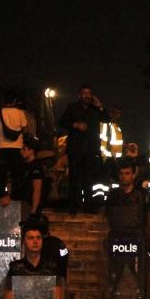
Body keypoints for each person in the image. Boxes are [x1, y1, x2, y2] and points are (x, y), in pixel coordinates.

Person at [104, 158, 150, 299]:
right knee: (111, 282)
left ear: (134, 174)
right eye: (121, 174)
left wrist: (142, 236)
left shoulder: (143, 196)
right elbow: (108, 217)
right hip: (117, 239)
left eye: (127, 173)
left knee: (141, 284)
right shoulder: (113, 195)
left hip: (136, 239)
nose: (124, 177)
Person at [59, 85, 110, 214]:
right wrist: (75, 124)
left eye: (89, 93)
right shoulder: (72, 107)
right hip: (75, 148)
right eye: (84, 93)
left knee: (89, 179)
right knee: (75, 178)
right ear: (79, 95)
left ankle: (88, 206)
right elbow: (62, 122)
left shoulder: (94, 109)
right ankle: (73, 206)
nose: (86, 96)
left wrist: (100, 106)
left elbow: (107, 119)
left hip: (91, 149)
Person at [0, 89, 27, 196]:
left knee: (0, 177)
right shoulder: (20, 113)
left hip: (2, 148)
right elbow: (25, 130)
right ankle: (17, 199)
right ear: (15, 100)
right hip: (17, 149)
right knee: (17, 177)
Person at [15, 134, 46, 214]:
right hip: (21, 205)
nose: (21, 151)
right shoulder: (23, 165)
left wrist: (33, 210)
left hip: (29, 207)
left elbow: (37, 189)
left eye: (24, 149)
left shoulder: (36, 166)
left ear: (31, 151)